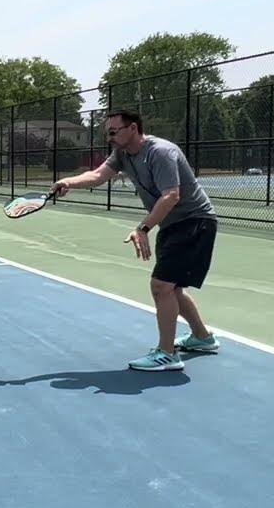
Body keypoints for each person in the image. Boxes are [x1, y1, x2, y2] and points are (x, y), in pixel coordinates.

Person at [50, 109, 220, 371]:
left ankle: (167, 353)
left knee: (161, 286)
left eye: (114, 131)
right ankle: (202, 337)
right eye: (108, 132)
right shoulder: (122, 154)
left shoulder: (160, 152)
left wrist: (143, 228)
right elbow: (97, 176)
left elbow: (171, 196)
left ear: (133, 128)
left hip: (194, 221)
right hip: (174, 224)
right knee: (172, 287)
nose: (110, 136)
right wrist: (68, 182)